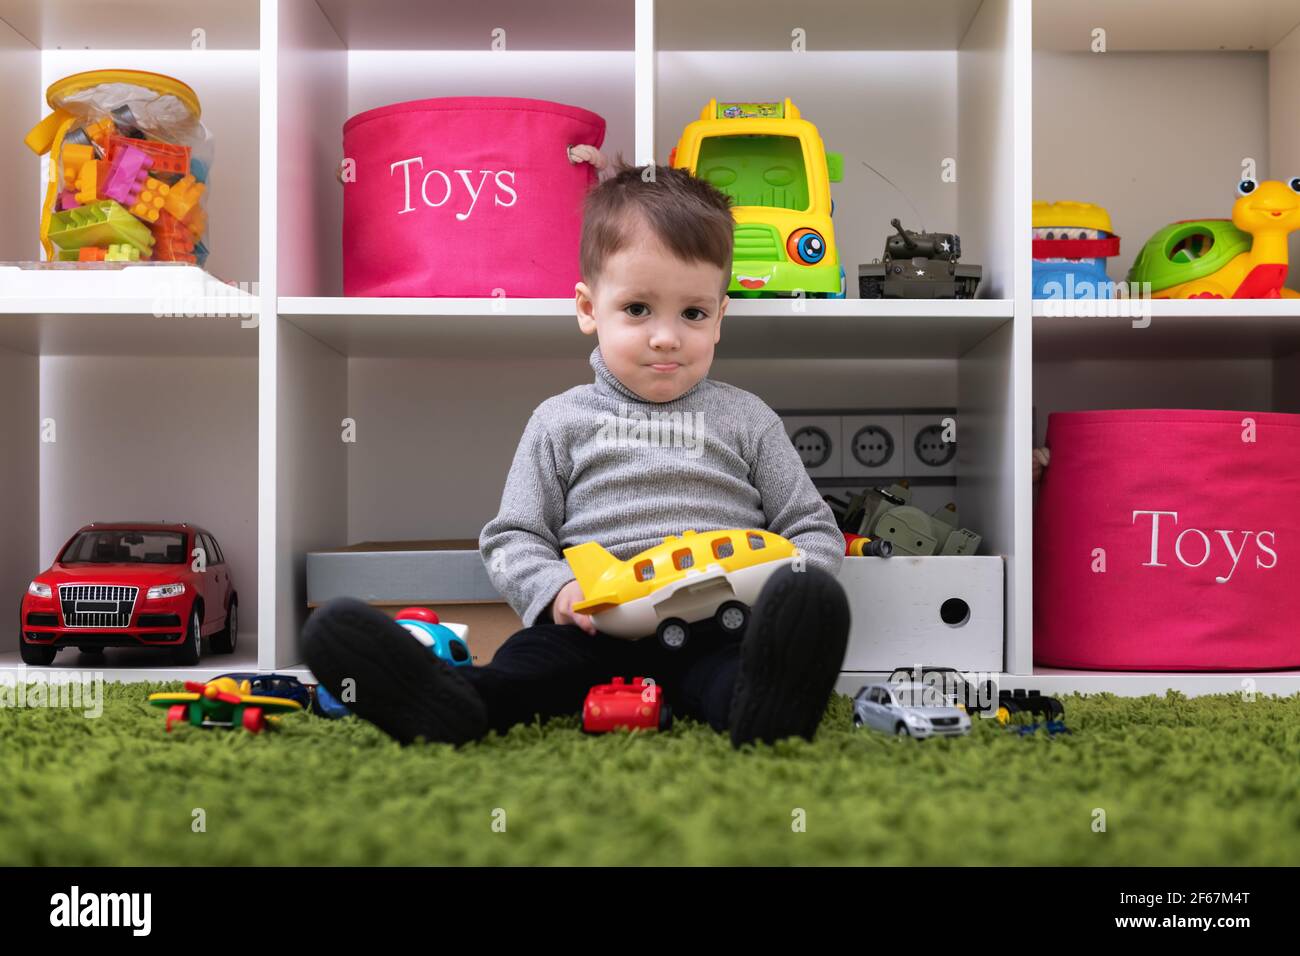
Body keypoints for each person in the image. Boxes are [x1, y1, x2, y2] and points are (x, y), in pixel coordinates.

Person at [304, 156, 851, 748]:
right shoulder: (560, 421)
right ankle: (454, 704)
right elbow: (514, 537)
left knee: (735, 675)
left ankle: (768, 709)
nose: (666, 336)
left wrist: (781, 584)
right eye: (638, 309)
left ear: (720, 318)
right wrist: (560, 593)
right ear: (590, 309)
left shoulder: (748, 417)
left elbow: (811, 528)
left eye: (692, 313)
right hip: (595, 631)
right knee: (528, 666)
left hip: (717, 626)